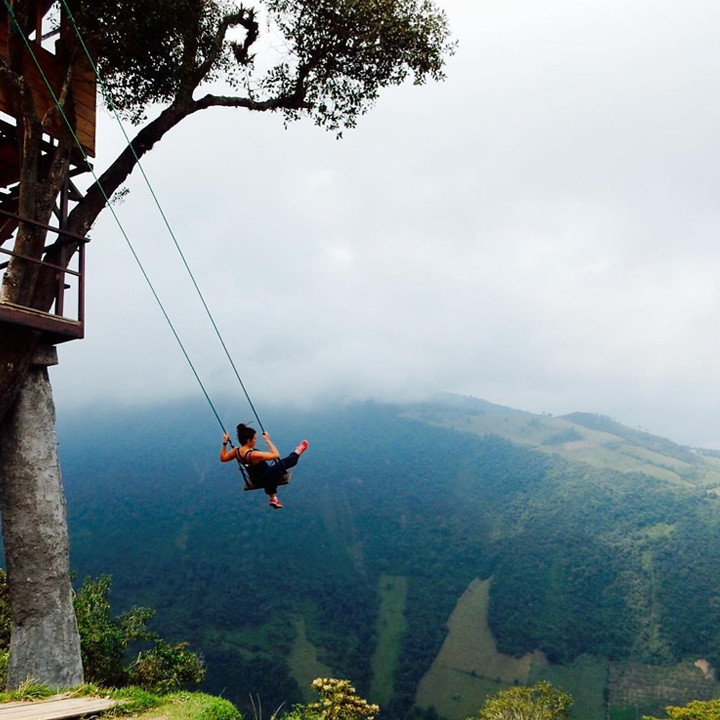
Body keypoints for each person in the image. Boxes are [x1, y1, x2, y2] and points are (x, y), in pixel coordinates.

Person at [220, 423, 309, 509]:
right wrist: (268, 440)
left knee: (266, 473)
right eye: (255, 438)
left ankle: (273, 498)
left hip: (255, 480)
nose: (256, 440)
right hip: (267, 476)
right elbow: (276, 455)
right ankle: (298, 451)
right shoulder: (253, 454)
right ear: (248, 440)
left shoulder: (236, 451)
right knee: (286, 462)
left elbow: (223, 458)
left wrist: (225, 443)